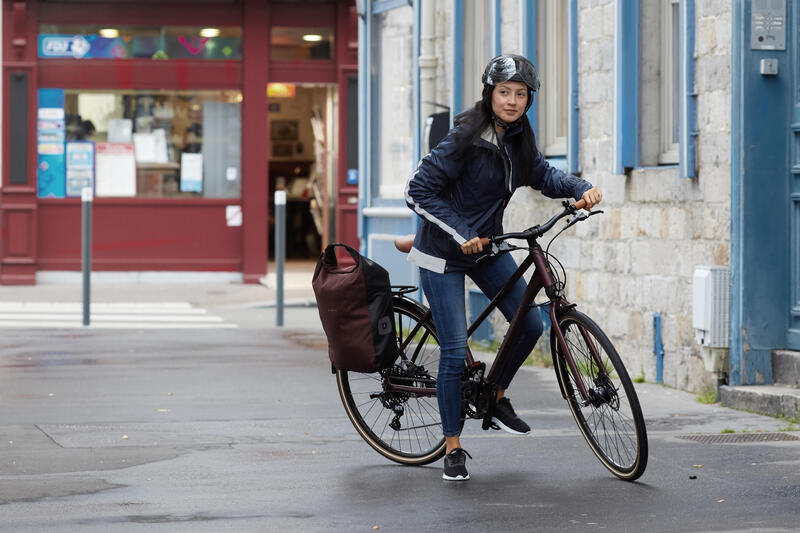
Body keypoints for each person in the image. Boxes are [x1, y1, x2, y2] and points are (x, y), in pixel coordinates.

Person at [404, 54, 602, 481]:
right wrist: (460, 231)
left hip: (487, 244)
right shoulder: (465, 135)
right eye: (504, 92)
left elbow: (542, 175)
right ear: (489, 94)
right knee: (455, 351)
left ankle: (494, 393)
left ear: (528, 100)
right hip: (444, 251)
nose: (512, 101)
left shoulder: (518, 137)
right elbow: (417, 190)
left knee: (530, 325)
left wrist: (580, 188)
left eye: (520, 94)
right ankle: (453, 447)